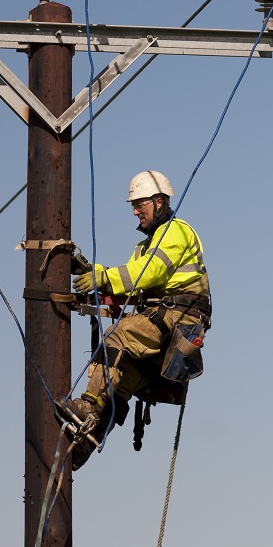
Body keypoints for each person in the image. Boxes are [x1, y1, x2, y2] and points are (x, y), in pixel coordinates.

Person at [62, 170, 211, 466]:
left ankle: (89, 406)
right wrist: (95, 277)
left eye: (139, 204)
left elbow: (146, 273)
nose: (135, 212)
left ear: (158, 201)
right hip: (163, 319)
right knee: (121, 382)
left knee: (118, 338)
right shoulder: (145, 246)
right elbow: (131, 287)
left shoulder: (176, 232)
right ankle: (81, 449)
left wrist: (103, 277)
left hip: (177, 318)